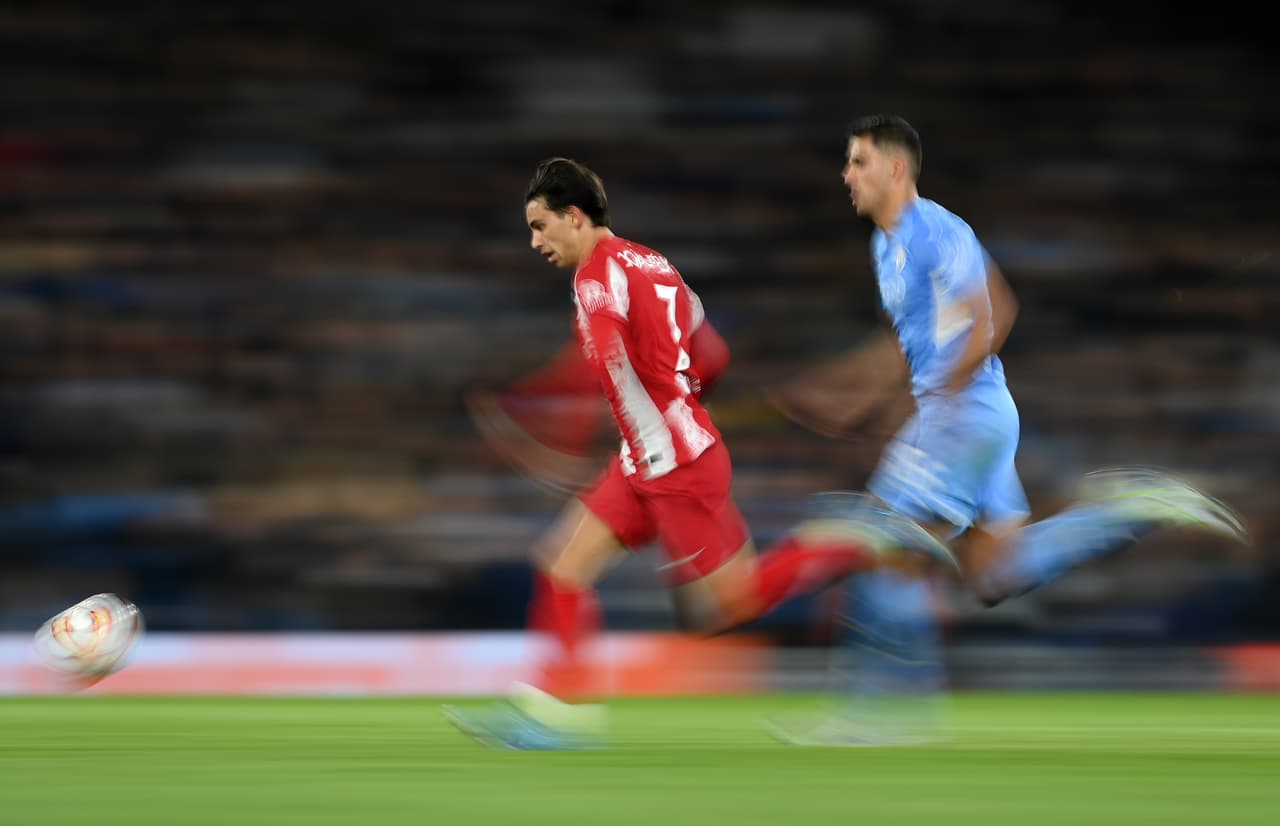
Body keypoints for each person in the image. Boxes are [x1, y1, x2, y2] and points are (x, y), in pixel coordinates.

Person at [766, 114, 1248, 744]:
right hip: (969, 415)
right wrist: (847, 394)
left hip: (964, 415)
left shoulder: (937, 230)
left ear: (896, 168)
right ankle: (1127, 506)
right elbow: (905, 344)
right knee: (998, 575)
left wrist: (940, 392)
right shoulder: (886, 247)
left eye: (858, 161)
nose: (846, 174)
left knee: (878, 538)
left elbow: (995, 311)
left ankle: (885, 712)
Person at [444, 157, 953, 750]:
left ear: (574, 216)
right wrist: (675, 403)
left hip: (676, 469)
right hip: (651, 458)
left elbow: (603, 361)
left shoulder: (593, 280)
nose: (535, 241)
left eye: (540, 226)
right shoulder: (656, 264)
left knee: (734, 599)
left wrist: (557, 427)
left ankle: (857, 535)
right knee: (561, 564)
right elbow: (712, 354)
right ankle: (554, 714)